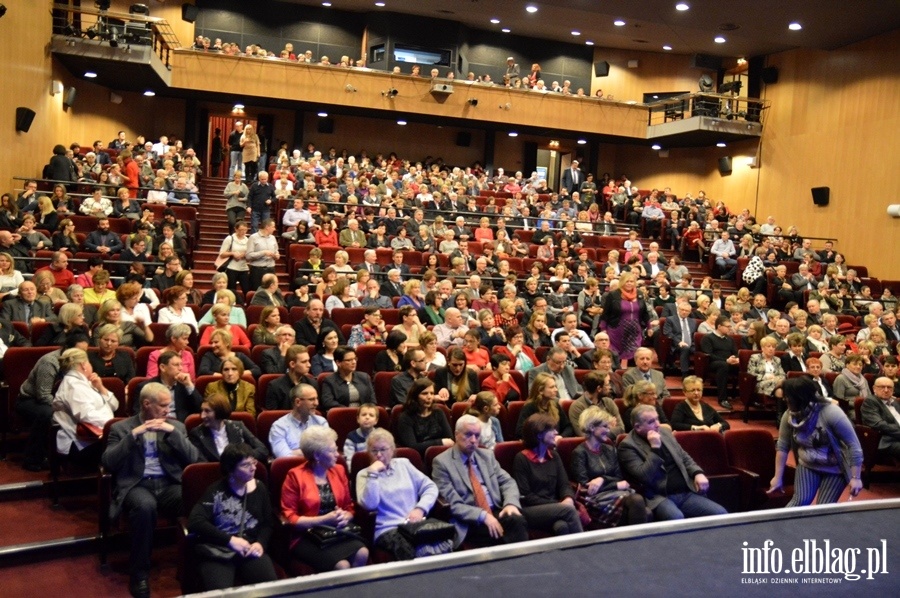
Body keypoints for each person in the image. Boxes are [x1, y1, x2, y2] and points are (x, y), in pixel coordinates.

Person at [101, 382, 200, 598]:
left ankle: (197, 565)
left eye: (169, 405)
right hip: (138, 485)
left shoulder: (177, 427)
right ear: (147, 404)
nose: (168, 410)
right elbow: (108, 462)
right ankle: (139, 574)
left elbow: (194, 459)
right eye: (163, 406)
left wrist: (173, 433)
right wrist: (133, 436)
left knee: (198, 502)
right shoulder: (122, 428)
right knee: (145, 507)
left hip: (168, 484)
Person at [187, 443, 277, 591]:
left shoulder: (260, 488)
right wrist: (230, 540)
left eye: (253, 462)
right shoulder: (215, 491)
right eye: (245, 465)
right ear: (230, 470)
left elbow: (267, 523)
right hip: (220, 550)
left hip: (250, 548)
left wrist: (260, 543)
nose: (253, 468)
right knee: (221, 593)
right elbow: (195, 522)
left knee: (271, 589)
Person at [431, 415, 529, 548]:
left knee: (516, 518)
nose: (473, 440)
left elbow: (507, 482)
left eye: (477, 436)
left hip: (496, 510)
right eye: (468, 435)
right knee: (514, 528)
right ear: (456, 434)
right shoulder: (442, 463)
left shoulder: (486, 456)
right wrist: (483, 516)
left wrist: (510, 504)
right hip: (470, 520)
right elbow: (454, 505)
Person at [279, 426, 369, 571]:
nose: (337, 454)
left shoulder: (339, 470)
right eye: (332, 451)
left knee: (363, 553)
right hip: (306, 536)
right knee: (342, 566)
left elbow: (349, 506)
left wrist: (346, 516)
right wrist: (324, 519)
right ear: (317, 456)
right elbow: (290, 518)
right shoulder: (295, 476)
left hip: (336, 531)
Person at [619, 404, 728, 521]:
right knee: (676, 519)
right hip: (660, 497)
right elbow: (644, 476)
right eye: (651, 422)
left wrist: (697, 473)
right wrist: (655, 448)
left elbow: (684, 457)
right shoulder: (627, 446)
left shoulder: (664, 432)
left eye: (657, 419)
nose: (657, 425)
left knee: (720, 513)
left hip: (686, 492)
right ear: (638, 427)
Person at [356, 428, 449, 560]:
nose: (378, 455)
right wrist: (373, 475)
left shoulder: (404, 464)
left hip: (414, 524)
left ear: (392, 450)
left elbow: (430, 487)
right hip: (387, 529)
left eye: (383, 449)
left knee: (443, 544)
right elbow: (370, 505)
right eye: (374, 450)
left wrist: (420, 509)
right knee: (417, 552)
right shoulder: (364, 474)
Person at [769, 377, 863, 506]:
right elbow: (782, 446)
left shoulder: (831, 413)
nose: (785, 400)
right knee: (799, 502)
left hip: (835, 468)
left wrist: (855, 477)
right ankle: (779, 527)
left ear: (799, 398)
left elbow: (854, 446)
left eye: (787, 397)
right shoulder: (789, 415)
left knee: (823, 508)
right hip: (807, 464)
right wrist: (777, 477)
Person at [571, 407, 649, 527]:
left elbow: (618, 477)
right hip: (595, 501)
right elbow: (586, 487)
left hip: (616, 495)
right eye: (605, 427)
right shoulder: (580, 453)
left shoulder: (610, 449)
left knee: (644, 510)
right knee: (640, 505)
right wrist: (615, 484)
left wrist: (603, 479)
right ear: (592, 428)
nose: (609, 430)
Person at [513, 414, 583, 536]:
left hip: (556, 508)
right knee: (568, 511)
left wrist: (568, 498)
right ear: (539, 434)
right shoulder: (521, 458)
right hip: (530, 509)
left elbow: (564, 485)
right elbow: (526, 495)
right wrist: (558, 505)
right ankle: (586, 550)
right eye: (551, 430)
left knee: (561, 526)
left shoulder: (554, 456)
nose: (556, 432)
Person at [51, 347, 119, 463]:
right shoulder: (74, 386)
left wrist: (100, 387)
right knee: (129, 449)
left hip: (95, 438)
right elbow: (87, 416)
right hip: (81, 444)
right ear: (83, 364)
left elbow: (115, 405)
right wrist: (115, 425)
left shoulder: (86, 382)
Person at [189, 394, 267, 462]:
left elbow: (262, 450)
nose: (202, 416)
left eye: (207, 411)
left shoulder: (238, 427)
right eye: (202, 411)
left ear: (219, 411)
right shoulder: (197, 433)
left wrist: (241, 458)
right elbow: (200, 463)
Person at [600, 272, 649, 369]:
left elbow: (645, 312)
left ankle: (624, 370)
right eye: (627, 281)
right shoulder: (613, 295)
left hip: (634, 330)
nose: (629, 283)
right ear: (622, 282)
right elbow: (605, 313)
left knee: (631, 351)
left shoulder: (639, 294)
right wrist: (603, 328)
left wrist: (649, 326)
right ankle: (615, 370)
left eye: (632, 281)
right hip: (616, 329)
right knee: (615, 352)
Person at [395, 377, 454, 458]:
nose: (429, 397)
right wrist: (439, 442)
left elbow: (450, 439)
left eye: (432, 393)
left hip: (441, 456)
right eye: (425, 393)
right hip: (417, 459)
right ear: (415, 396)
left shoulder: (439, 412)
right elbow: (412, 447)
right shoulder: (406, 417)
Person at [269, 383, 330, 458]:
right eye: (311, 399)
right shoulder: (279, 427)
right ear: (298, 402)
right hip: (291, 468)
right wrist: (316, 451)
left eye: (317, 399)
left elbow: (329, 451)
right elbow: (284, 457)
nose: (316, 403)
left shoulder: (321, 422)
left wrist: (295, 452)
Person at [516, 371, 575, 438]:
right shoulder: (529, 407)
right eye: (552, 387)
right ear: (540, 390)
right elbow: (520, 432)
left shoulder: (555, 405)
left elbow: (568, 427)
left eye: (555, 386)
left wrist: (561, 436)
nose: (556, 390)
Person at [700, 315, 740, 410]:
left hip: (729, 362)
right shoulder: (708, 338)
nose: (730, 329)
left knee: (745, 366)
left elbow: (735, 352)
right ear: (719, 326)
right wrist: (726, 360)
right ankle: (722, 398)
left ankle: (747, 398)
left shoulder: (730, 339)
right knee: (723, 366)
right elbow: (709, 355)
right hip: (713, 363)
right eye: (728, 326)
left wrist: (736, 359)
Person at [320, 346, 376, 412]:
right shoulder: (329, 381)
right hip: (343, 415)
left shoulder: (364, 377)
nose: (354, 362)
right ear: (338, 363)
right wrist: (349, 411)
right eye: (349, 360)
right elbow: (328, 403)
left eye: (355, 359)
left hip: (364, 415)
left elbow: (372, 400)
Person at [568, 371, 623, 437]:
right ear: (599, 389)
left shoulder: (609, 402)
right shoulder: (577, 407)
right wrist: (609, 426)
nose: (610, 387)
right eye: (607, 384)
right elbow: (583, 435)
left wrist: (598, 431)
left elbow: (621, 429)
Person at [861, 377, 900, 460]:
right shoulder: (870, 401)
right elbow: (879, 424)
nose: (886, 390)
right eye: (882, 387)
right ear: (874, 389)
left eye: (889, 387)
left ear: (893, 390)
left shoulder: (895, 402)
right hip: (887, 441)